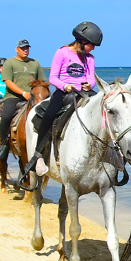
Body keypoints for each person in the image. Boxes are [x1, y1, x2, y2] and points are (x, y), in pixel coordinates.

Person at [30, 22, 102, 176]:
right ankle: (38, 156)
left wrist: (90, 85)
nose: (94, 48)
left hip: (83, 93)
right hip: (64, 93)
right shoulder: (62, 52)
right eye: (92, 45)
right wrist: (65, 86)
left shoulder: (90, 58)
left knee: (105, 109)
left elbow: (91, 78)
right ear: (83, 41)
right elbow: (53, 78)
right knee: (48, 116)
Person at [0, 39, 47, 162]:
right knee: (6, 117)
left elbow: (41, 81)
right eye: (23, 48)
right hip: (14, 96)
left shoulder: (35, 63)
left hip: (33, 97)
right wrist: (23, 93)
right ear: (16, 49)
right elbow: (7, 81)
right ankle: (3, 146)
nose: (25, 50)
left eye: (27, 48)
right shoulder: (10, 63)